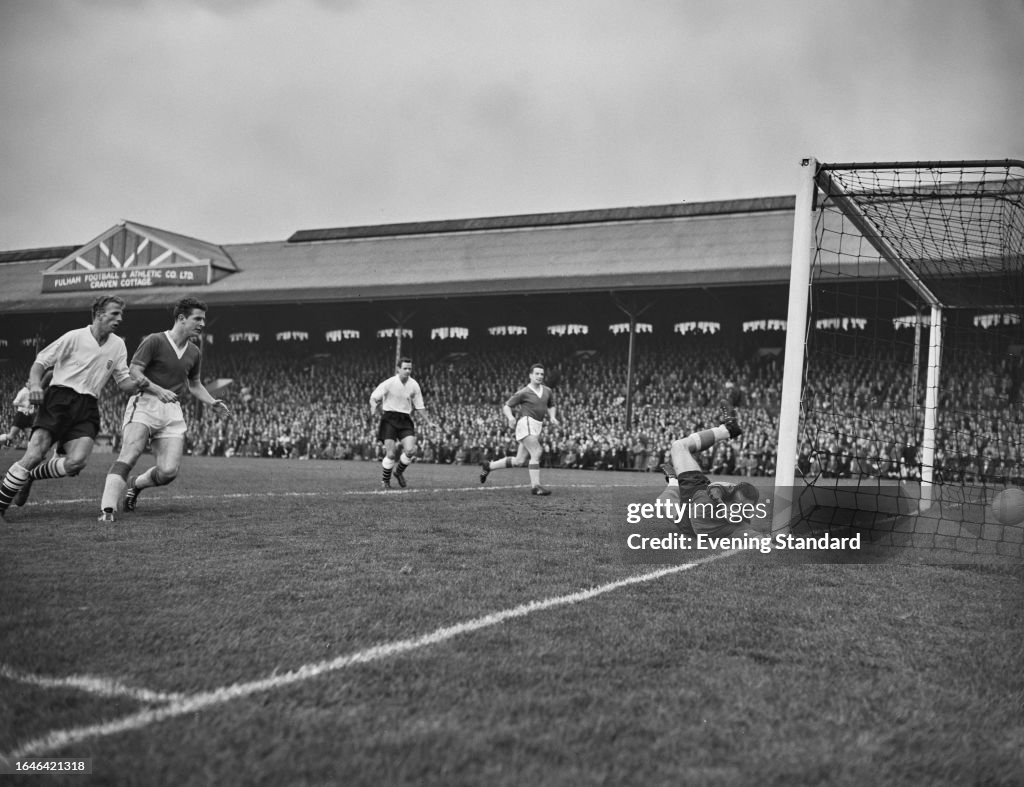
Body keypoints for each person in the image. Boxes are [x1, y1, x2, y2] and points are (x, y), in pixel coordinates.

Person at [0, 295, 139, 517]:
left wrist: (143, 383)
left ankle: (31, 476)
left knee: (76, 463)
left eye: (121, 314)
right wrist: (35, 385)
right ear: (99, 315)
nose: (120, 319)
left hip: (88, 405)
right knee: (35, 454)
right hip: (59, 398)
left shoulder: (118, 345)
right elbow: (41, 362)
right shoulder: (75, 337)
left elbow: (124, 382)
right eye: (115, 314)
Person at [98, 296, 230, 521]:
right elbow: (134, 372)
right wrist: (158, 390)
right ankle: (107, 510)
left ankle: (136, 485)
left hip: (172, 410)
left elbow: (194, 384)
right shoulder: (155, 340)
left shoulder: (194, 351)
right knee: (130, 453)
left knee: (168, 472)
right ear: (181, 318)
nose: (202, 323)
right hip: (145, 404)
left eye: (203, 319)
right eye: (198, 319)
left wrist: (212, 402)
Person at [656, 407, 762, 537]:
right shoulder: (716, 497)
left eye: (744, 510)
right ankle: (726, 430)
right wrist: (720, 503)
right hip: (694, 491)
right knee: (678, 446)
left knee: (661, 501)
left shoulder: (740, 524)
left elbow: (751, 535)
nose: (737, 512)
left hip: (686, 522)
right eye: (736, 506)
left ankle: (673, 479)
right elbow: (715, 488)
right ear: (727, 499)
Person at [479, 363, 559, 495]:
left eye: (542, 374)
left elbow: (551, 405)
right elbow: (507, 406)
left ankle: (489, 466)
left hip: (537, 426)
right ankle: (535, 486)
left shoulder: (547, 391)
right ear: (530, 375)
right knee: (537, 451)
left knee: (519, 461)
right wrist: (510, 417)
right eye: (537, 374)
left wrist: (552, 417)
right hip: (526, 423)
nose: (540, 376)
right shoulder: (524, 392)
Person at [369, 357, 431, 489]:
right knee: (391, 454)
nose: (408, 371)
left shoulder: (414, 385)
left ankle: (398, 472)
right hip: (389, 418)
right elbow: (374, 397)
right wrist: (373, 406)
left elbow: (420, 406)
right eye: (405, 368)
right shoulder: (389, 383)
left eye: (410, 369)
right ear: (398, 369)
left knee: (410, 450)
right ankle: (385, 481)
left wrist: (429, 422)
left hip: (405, 419)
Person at [1, 369, 53, 448]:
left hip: (27, 416)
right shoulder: (23, 391)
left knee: (31, 438)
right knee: (11, 436)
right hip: (21, 415)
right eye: (30, 383)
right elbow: (14, 402)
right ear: (26, 384)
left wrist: (33, 409)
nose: (31, 384)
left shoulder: (32, 392)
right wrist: (24, 405)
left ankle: (32, 452)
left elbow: (32, 404)